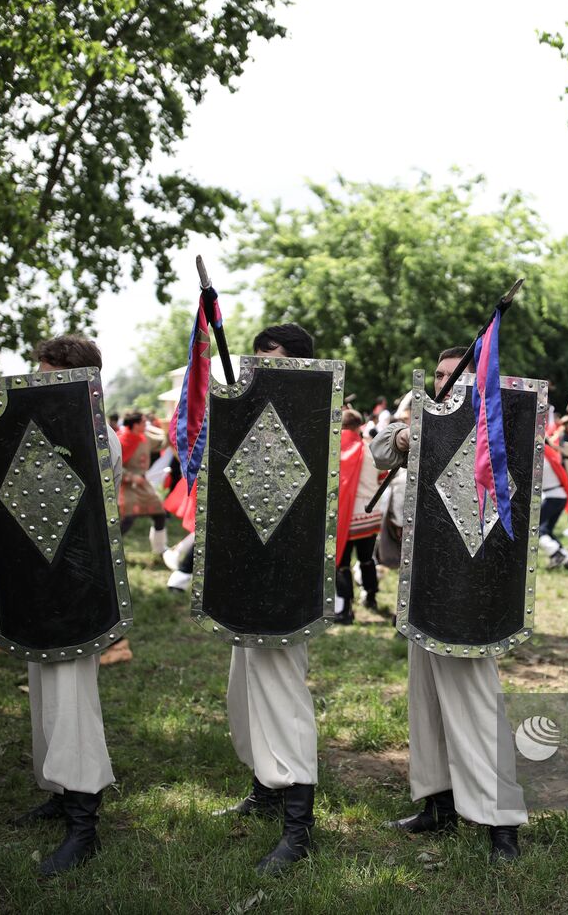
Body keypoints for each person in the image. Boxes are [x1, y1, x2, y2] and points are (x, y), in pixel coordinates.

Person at [371, 346, 528, 864]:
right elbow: (379, 450)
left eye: (454, 375)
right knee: (426, 701)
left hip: (472, 593)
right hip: (424, 584)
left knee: (476, 706)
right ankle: (438, 803)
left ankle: (501, 822)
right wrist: (402, 435)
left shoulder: (499, 427)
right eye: (439, 375)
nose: (444, 382)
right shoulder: (422, 417)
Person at [6, 334, 121, 876]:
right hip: (43, 583)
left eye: (48, 375)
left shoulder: (94, 432)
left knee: (72, 700)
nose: (38, 383)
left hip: (80, 588)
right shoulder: (48, 429)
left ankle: (84, 822)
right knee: (46, 695)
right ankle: (58, 792)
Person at [214, 322, 323, 876]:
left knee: (282, 697)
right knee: (245, 693)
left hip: (289, 581)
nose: (256, 369)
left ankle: (299, 827)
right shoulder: (245, 413)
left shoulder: (313, 413)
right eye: (253, 359)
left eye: (269, 358)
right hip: (248, 576)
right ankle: (266, 788)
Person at [335, 408, 383, 623]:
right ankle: (371, 597)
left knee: (343, 562)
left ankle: (345, 609)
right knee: (366, 559)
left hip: (346, 516)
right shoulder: (371, 449)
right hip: (369, 515)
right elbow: (382, 477)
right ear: (359, 426)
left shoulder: (337, 449)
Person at [117, 411, 169, 554]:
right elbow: (114, 464)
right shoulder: (121, 441)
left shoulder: (145, 437)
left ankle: (159, 548)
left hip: (143, 483)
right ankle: (108, 549)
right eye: (144, 422)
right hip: (127, 486)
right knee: (128, 518)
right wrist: (131, 476)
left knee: (160, 514)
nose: (146, 424)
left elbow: (161, 444)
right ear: (135, 425)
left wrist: (169, 432)